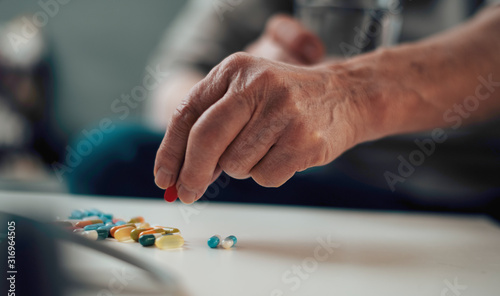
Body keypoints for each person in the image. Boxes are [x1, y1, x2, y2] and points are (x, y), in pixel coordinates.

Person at [149, 0, 500, 217]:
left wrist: (348, 96)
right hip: (302, 179)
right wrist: (233, 99)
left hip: (459, 186)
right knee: (117, 155)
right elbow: (175, 74)